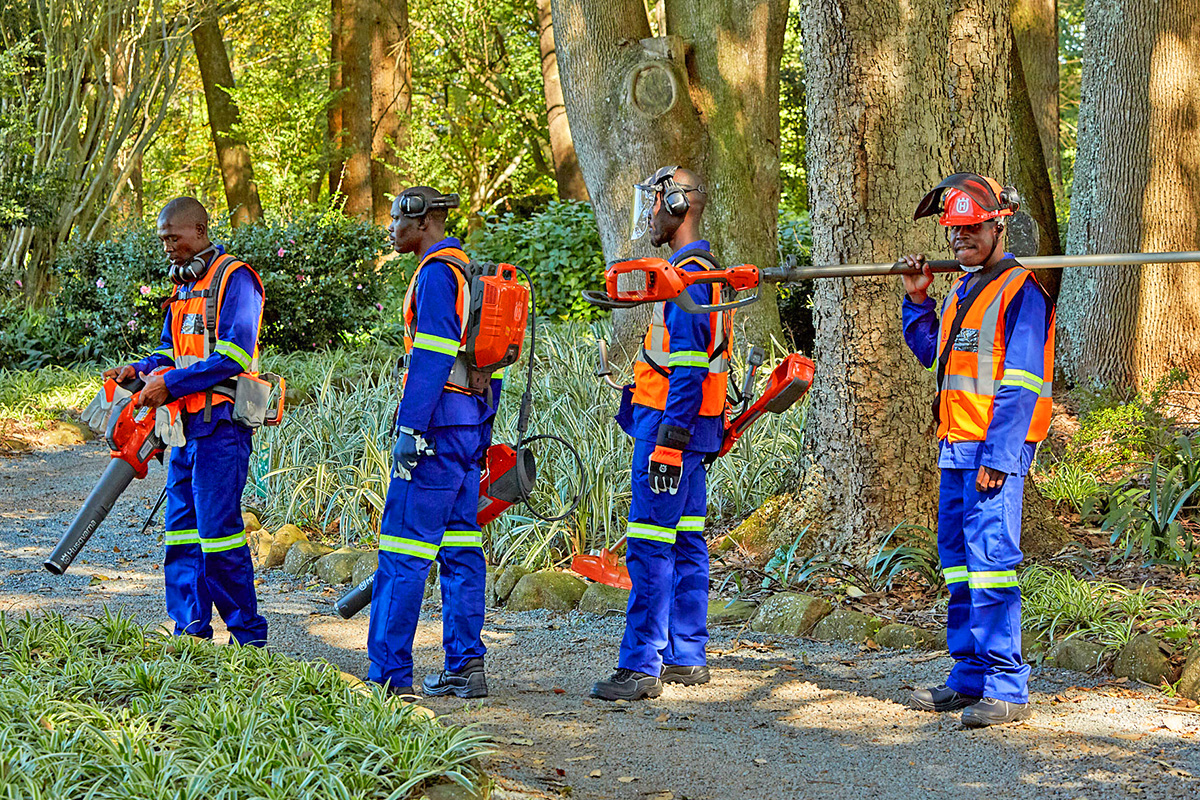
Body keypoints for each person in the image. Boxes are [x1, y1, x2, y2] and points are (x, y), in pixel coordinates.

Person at [900, 173, 1054, 727]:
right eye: (954, 230)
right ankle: (968, 679)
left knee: (992, 566)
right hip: (955, 450)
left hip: (991, 454)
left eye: (970, 228)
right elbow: (931, 355)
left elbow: (1022, 384)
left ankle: (1006, 687)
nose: (961, 238)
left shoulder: (1021, 291)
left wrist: (998, 455)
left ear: (997, 225)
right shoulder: (963, 291)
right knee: (960, 567)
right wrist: (919, 300)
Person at [591, 166, 732, 702]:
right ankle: (686, 654)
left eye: (653, 203)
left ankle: (640, 664)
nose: (648, 214)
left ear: (676, 206)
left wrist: (668, 441)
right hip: (692, 430)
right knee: (688, 538)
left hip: (671, 431)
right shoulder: (694, 271)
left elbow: (690, 368)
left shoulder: (690, 278)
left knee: (650, 543)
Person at [105, 197, 268, 646]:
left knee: (218, 535)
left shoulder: (237, 279)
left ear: (199, 230)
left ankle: (249, 640)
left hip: (221, 428)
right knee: (181, 532)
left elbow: (234, 356)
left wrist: (170, 384)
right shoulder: (184, 285)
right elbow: (168, 350)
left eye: (172, 238)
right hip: (183, 430)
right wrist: (138, 370)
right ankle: (189, 632)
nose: (166, 248)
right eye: (162, 240)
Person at [367, 186, 495, 699]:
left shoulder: (438, 273)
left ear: (422, 222)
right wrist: (480, 431)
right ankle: (466, 667)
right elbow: (484, 365)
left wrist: (409, 427)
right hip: (465, 424)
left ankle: (390, 677)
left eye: (397, 217)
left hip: (436, 426)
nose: (392, 227)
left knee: (403, 548)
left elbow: (433, 354)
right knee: (462, 547)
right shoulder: (468, 272)